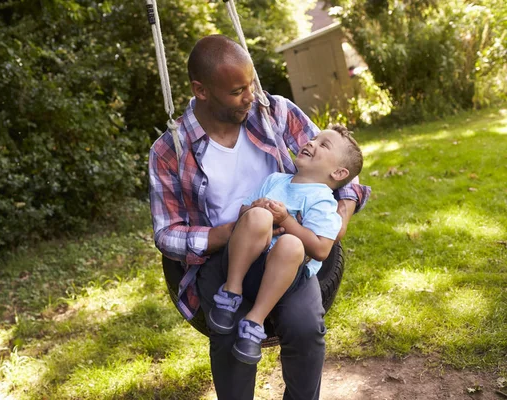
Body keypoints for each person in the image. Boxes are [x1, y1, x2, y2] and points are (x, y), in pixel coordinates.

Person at [149, 34, 370, 400]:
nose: (250, 96)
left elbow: (342, 162)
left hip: (286, 250)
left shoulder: (274, 111)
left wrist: (342, 210)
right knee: (229, 331)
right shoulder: (169, 151)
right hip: (222, 256)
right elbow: (166, 234)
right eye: (238, 91)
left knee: (305, 328)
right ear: (201, 91)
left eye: (250, 84)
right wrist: (229, 232)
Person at [207, 125, 364, 366]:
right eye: (313, 138)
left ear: (339, 173)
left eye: (323, 145)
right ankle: (231, 291)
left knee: (291, 243)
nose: (311, 142)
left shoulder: (323, 201)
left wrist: (286, 220)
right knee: (258, 216)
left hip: (284, 275)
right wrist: (254, 208)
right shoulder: (275, 180)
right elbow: (242, 214)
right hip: (247, 261)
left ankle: (255, 321)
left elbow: (321, 249)